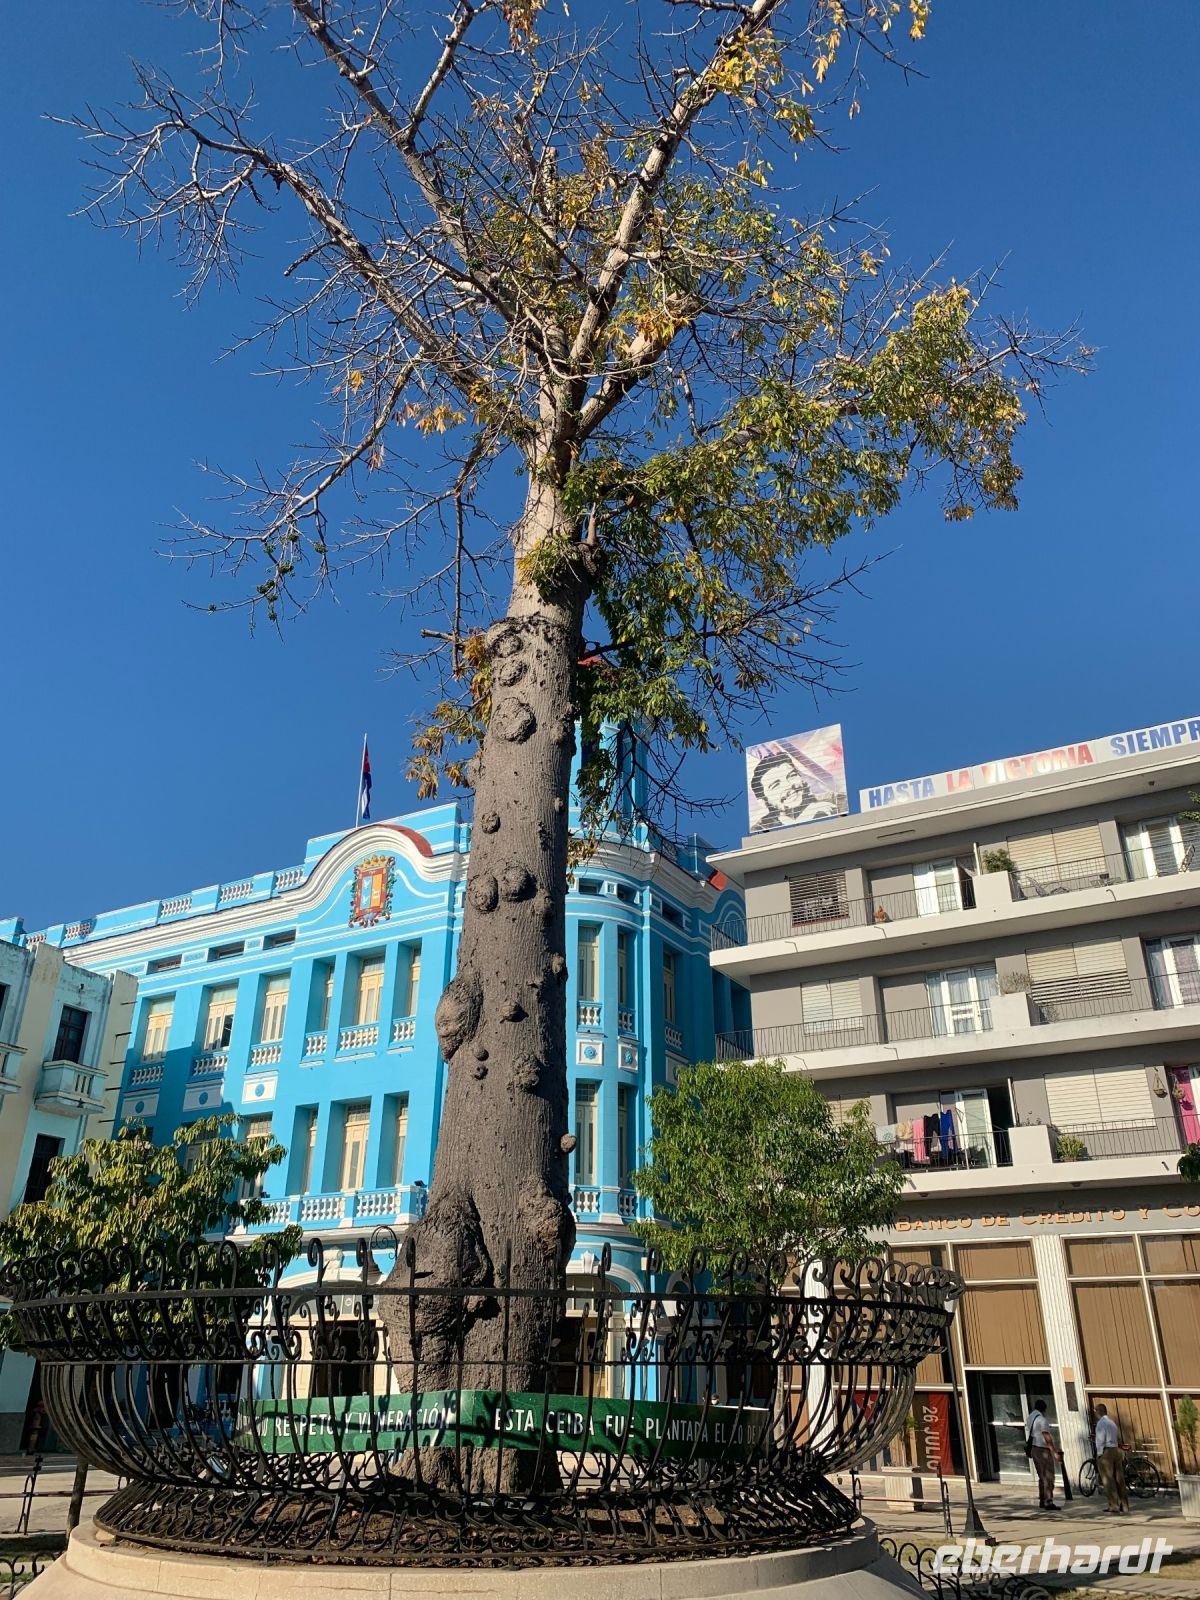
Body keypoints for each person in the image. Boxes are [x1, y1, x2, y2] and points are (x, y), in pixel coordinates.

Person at [750, 752, 840, 831]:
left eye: (792, 776)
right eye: (775, 785)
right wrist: (802, 821)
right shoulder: (760, 829)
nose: (789, 785)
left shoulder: (834, 799)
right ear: (763, 802)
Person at [1026, 1399, 1062, 1510]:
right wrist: (1054, 1452)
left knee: (1041, 1477)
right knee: (1048, 1476)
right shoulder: (1042, 1420)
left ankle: (1042, 1499)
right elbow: (1046, 1436)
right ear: (1044, 1409)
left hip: (1034, 1449)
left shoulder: (1030, 1417)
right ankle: (1048, 1501)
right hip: (1043, 1450)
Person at [1094, 1404, 1130, 1514]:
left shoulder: (1101, 1423)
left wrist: (1099, 1453)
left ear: (1098, 1411)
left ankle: (1113, 1505)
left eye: (1095, 1411)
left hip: (1106, 1451)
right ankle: (1124, 1505)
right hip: (1115, 1450)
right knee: (1119, 1478)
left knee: (1108, 1478)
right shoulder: (1112, 1423)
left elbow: (1101, 1439)